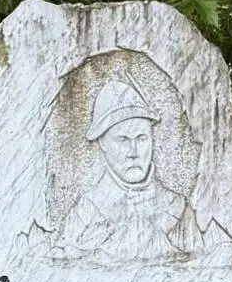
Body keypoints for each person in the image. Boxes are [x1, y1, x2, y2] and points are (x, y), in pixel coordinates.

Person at [54, 78, 200, 262]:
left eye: (141, 138)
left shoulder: (178, 208)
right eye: (122, 140)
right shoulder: (85, 213)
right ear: (102, 143)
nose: (134, 152)